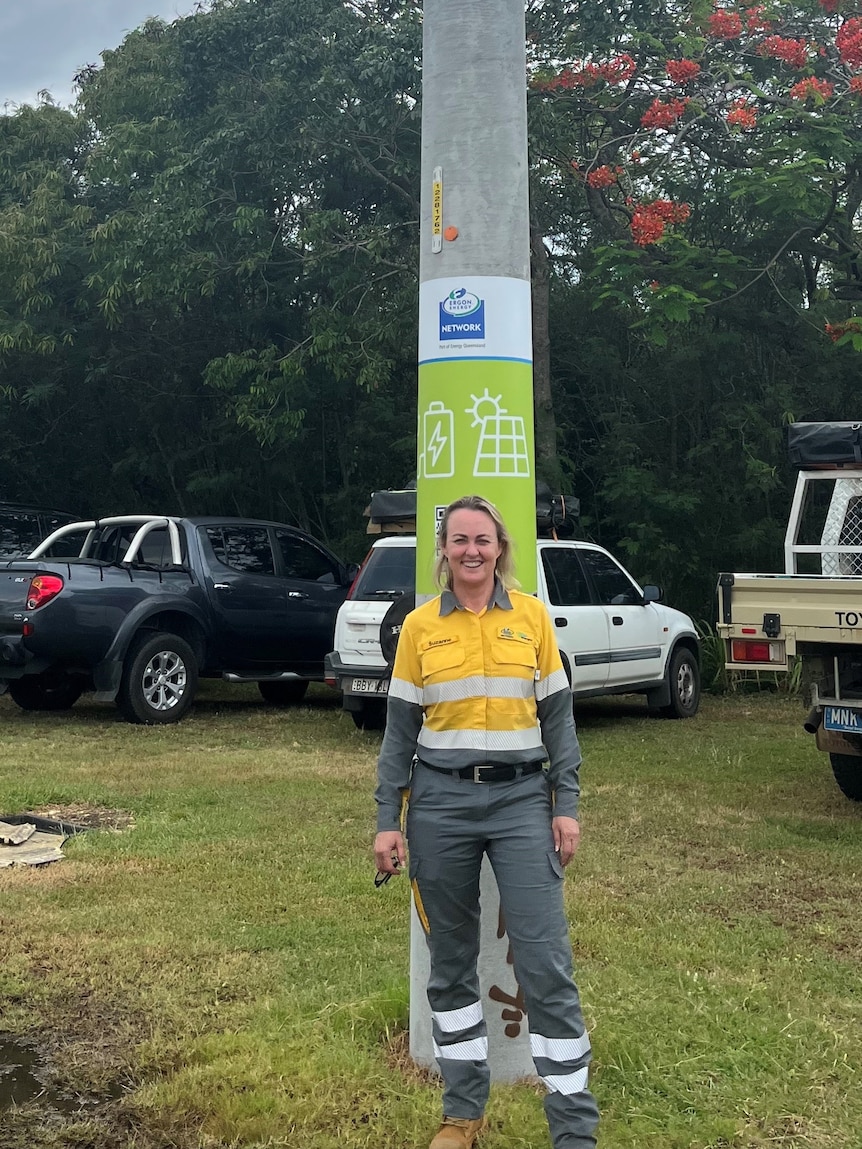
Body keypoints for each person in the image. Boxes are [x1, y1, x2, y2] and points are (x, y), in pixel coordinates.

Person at [374, 494, 599, 1149]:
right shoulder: (420, 628)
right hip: (439, 805)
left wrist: (566, 804)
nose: (472, 550)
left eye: (484, 539)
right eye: (459, 539)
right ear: (442, 551)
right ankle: (463, 1112)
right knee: (450, 966)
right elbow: (397, 737)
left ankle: (574, 1131)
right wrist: (388, 819)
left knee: (546, 962)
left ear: (501, 548)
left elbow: (559, 722)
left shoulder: (531, 619)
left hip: (524, 802)